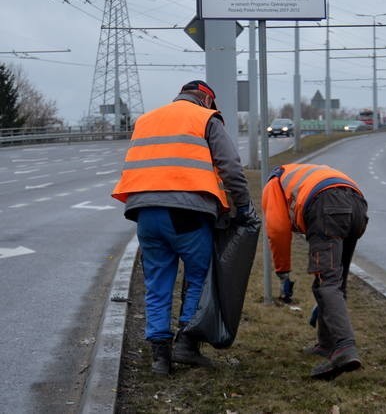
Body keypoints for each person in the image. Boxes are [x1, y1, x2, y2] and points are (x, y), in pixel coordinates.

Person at [112, 80, 257, 375]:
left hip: (144, 213)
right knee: (198, 278)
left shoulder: (146, 120)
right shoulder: (205, 118)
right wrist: (244, 207)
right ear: (206, 99)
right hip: (187, 212)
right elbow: (231, 166)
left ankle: (159, 357)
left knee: (157, 282)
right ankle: (187, 343)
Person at [261, 163, 369, 380]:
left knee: (327, 282)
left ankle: (344, 348)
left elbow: (278, 229)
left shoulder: (274, 183)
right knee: (334, 283)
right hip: (357, 206)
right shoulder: (302, 172)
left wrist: (283, 270)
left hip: (326, 205)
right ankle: (327, 343)